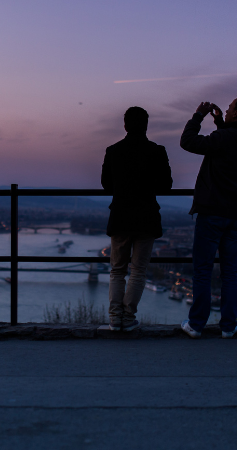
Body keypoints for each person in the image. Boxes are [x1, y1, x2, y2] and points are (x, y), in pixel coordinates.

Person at [179, 95, 237, 339]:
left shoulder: (225, 138)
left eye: (230, 107)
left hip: (213, 210)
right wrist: (220, 124)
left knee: (203, 270)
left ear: (236, 113)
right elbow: (231, 144)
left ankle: (196, 324)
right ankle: (228, 326)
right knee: (230, 272)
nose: (226, 108)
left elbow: (188, 142)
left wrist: (198, 116)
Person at [101, 107, 173, 331]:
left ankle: (114, 318)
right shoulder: (157, 151)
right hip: (146, 217)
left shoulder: (113, 151)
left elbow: (106, 184)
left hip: (121, 216)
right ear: (146, 125)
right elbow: (166, 185)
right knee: (138, 270)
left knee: (117, 269)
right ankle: (128, 317)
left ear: (125, 125)